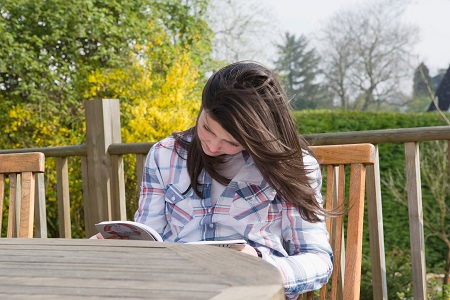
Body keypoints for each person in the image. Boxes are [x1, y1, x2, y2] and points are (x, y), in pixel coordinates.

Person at [93, 61, 333, 298]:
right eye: (207, 128)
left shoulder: (291, 165)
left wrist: (261, 265)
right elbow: (149, 238)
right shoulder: (165, 155)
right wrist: (121, 246)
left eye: (232, 142)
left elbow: (319, 260)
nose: (213, 145)